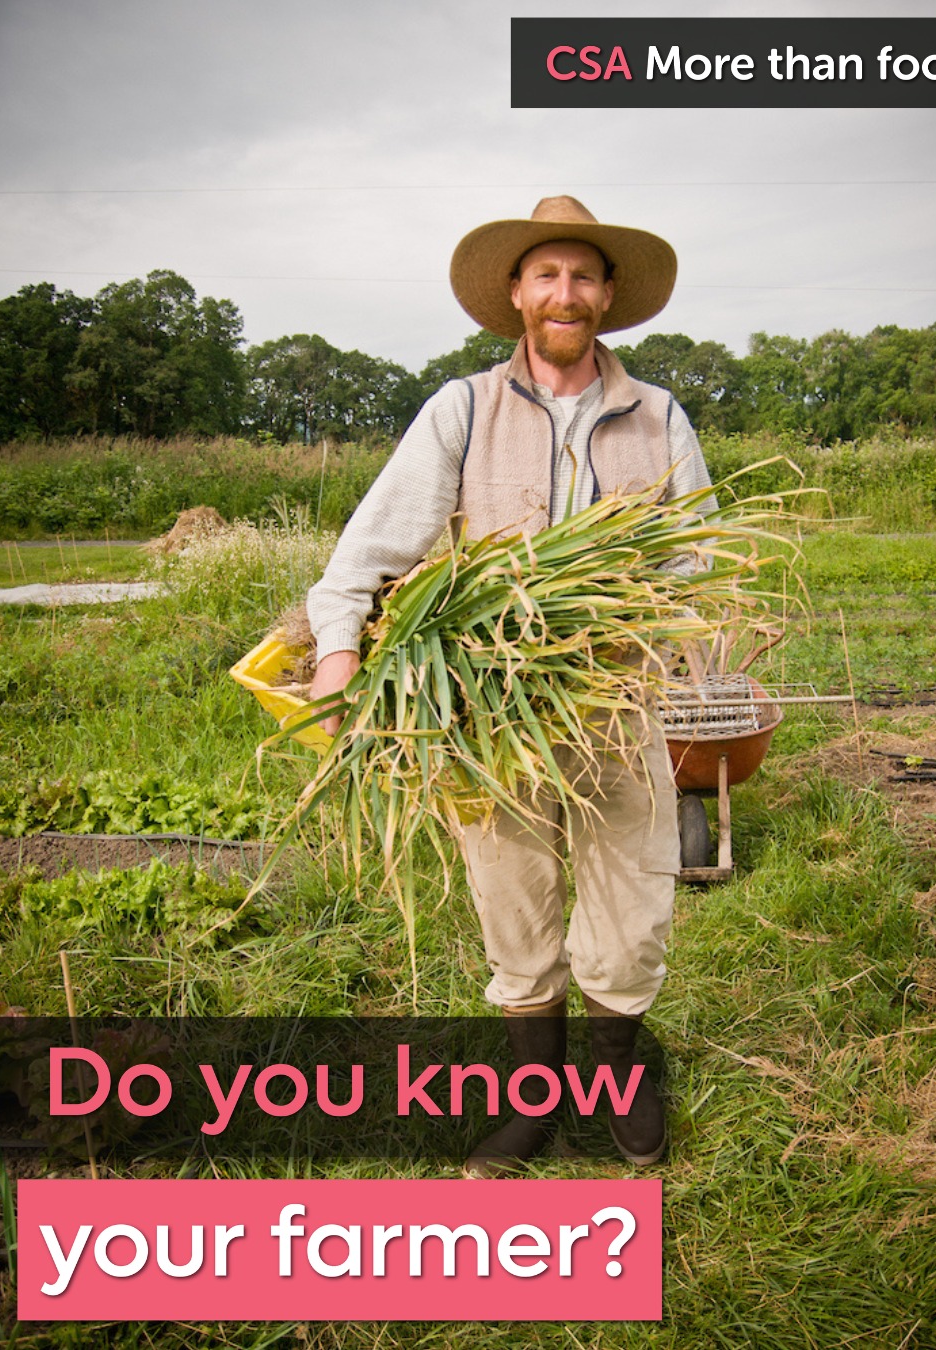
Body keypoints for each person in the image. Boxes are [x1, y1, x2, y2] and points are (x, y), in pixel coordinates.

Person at [306, 195, 716, 1175]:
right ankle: (534, 1104)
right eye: (547, 275)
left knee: (630, 916)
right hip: (485, 716)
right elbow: (364, 557)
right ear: (517, 294)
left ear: (608, 296)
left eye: (583, 275)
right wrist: (338, 661)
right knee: (514, 912)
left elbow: (697, 567)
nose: (564, 293)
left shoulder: (658, 415)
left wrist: (650, 637)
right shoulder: (462, 409)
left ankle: (617, 1081)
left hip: (618, 711)